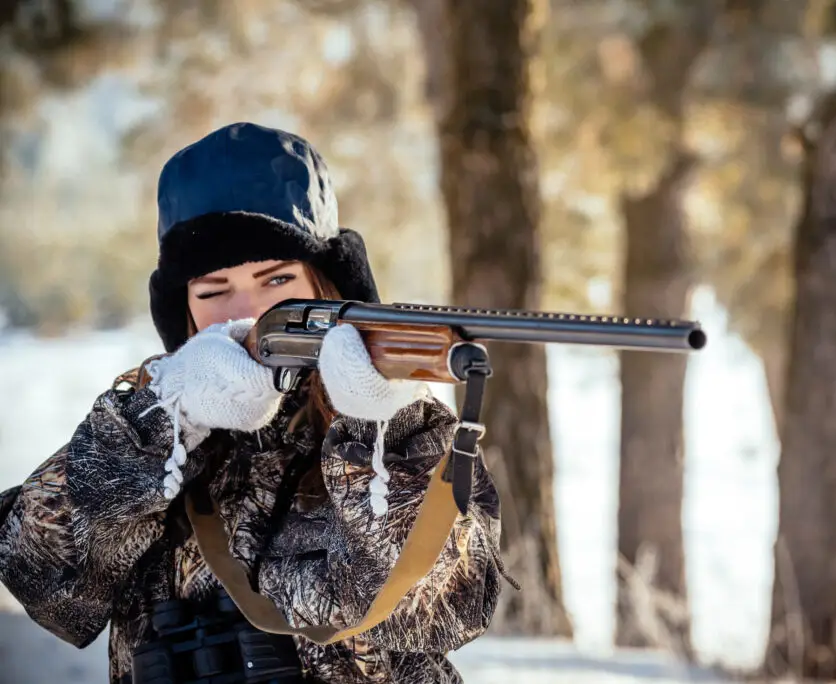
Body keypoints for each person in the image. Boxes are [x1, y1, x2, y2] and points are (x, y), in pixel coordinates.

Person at [0, 122, 506, 683]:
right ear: (184, 310)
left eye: (276, 281)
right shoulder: (147, 419)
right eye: (215, 292)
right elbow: (41, 580)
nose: (250, 312)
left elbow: (445, 606)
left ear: (324, 286)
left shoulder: (402, 422)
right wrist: (166, 418)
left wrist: (381, 431)